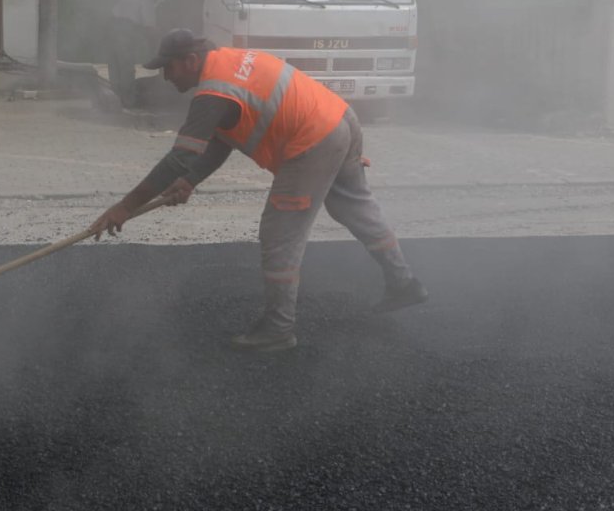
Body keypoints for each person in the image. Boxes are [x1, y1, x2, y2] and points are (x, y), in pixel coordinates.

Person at [91, 29, 427, 352]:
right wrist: (192, 180)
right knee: (353, 207)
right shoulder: (229, 61)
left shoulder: (212, 92)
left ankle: (278, 329)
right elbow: (224, 138)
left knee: (280, 234)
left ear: (191, 59)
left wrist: (125, 206)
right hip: (340, 118)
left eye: (169, 67)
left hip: (313, 140)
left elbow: (177, 160)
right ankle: (404, 283)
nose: (166, 76)